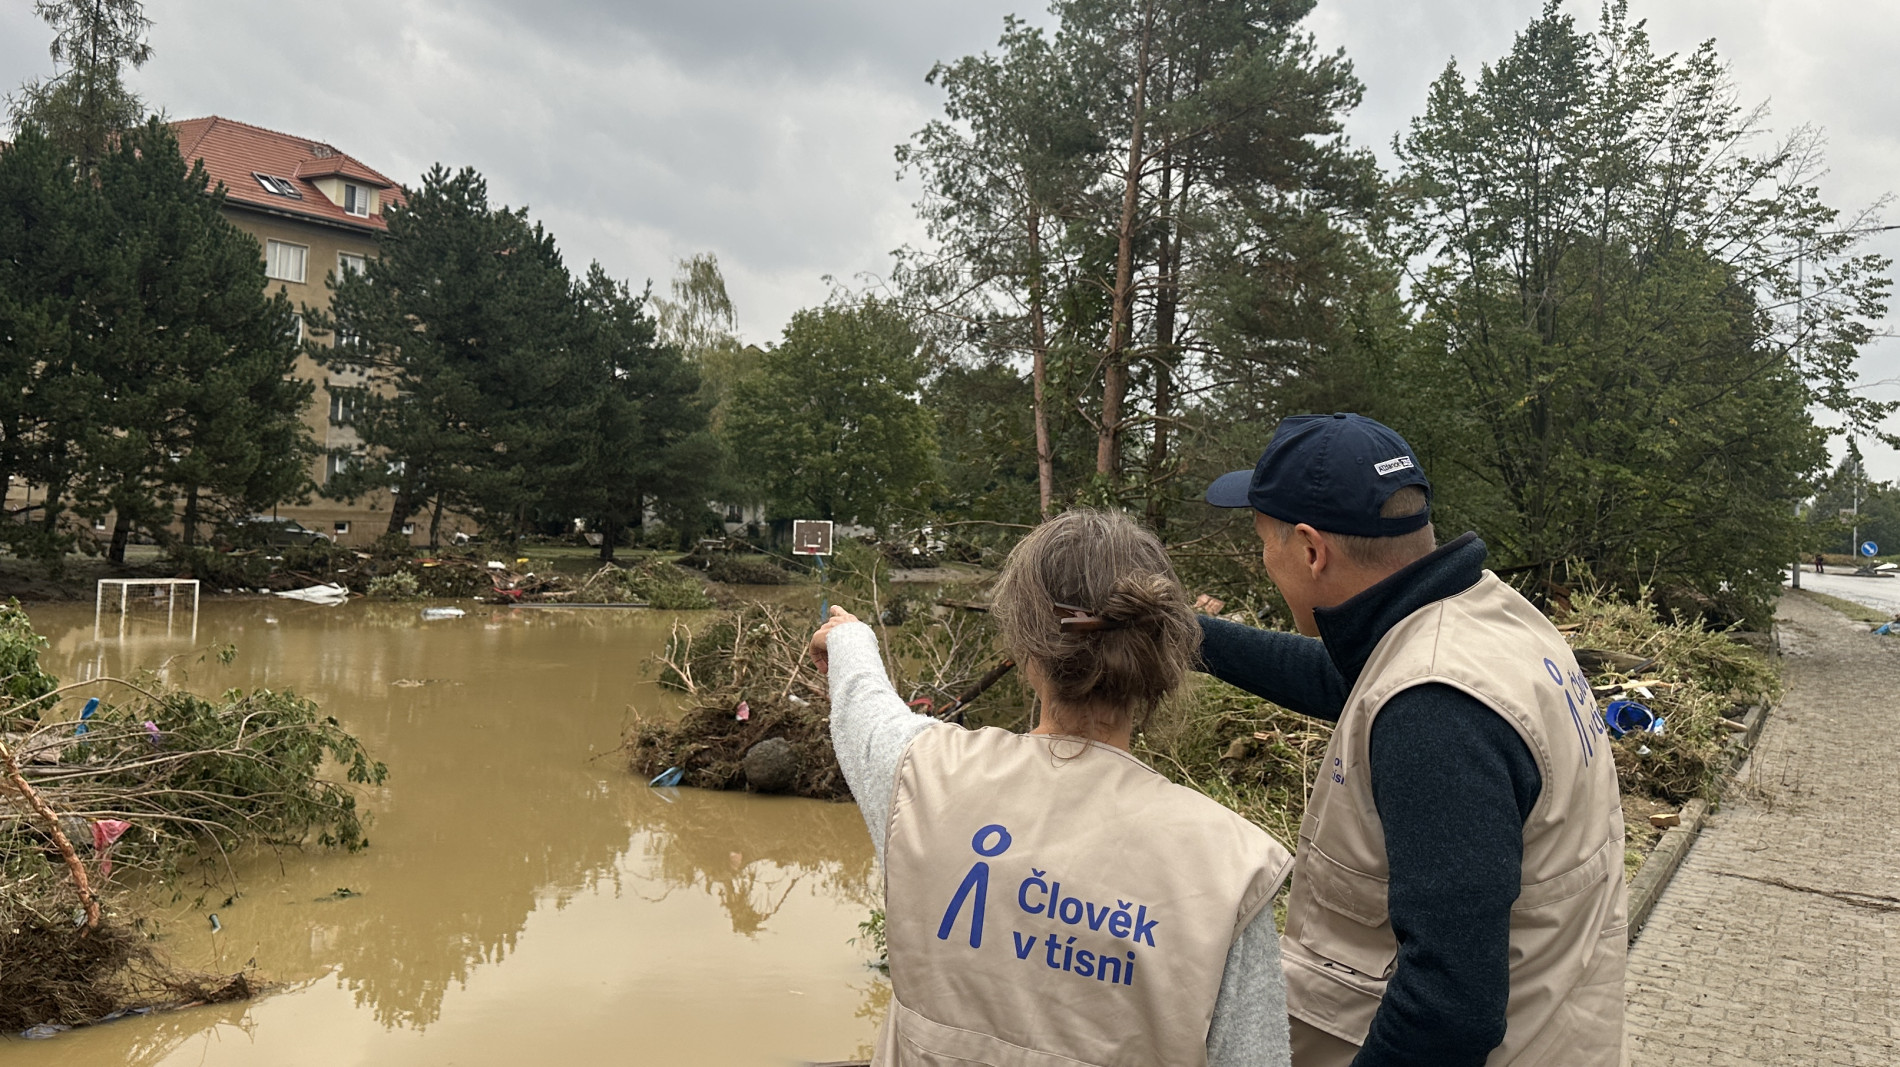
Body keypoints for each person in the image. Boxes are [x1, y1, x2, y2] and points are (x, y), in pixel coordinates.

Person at [1196, 413, 1626, 1067]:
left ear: (1311, 550)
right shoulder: (1485, 617)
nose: (1264, 562)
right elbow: (1353, 681)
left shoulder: (1436, 710)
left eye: (1265, 543)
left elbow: (1450, 1011)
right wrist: (1185, 632)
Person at [809, 508, 1294, 1067]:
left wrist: (849, 639)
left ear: (1027, 651)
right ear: (1163, 655)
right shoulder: (1230, 865)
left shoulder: (919, 776)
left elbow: (864, 710)